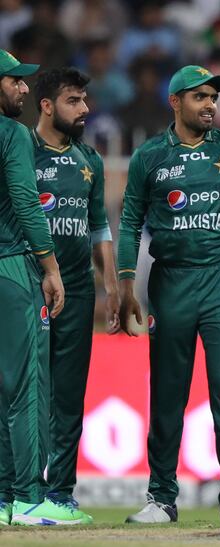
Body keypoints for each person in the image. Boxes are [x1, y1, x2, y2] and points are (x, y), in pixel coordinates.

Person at [117, 64, 220, 523]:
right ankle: (162, 498)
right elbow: (128, 223)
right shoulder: (149, 157)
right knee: (167, 393)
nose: (210, 105)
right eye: (200, 97)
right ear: (176, 102)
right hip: (171, 282)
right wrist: (126, 285)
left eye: (214, 98)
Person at [0, 49, 90, 526]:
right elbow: (25, 200)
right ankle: (31, 497)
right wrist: (49, 267)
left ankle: (1, 496)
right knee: (27, 388)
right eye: (14, 81)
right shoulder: (13, 134)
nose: (23, 89)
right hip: (13, 267)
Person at [31, 67, 119, 514]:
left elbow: (98, 225)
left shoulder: (89, 160)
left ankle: (59, 495)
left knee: (68, 397)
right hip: (28, 289)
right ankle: (20, 492)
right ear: (47, 105)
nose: (84, 109)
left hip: (78, 291)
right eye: (73, 101)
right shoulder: (20, 152)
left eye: (85, 100)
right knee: (21, 393)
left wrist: (111, 285)